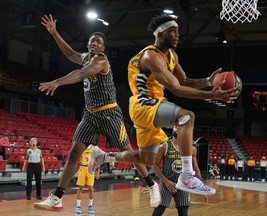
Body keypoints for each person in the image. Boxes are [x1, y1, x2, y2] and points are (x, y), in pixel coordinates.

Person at [89, 14, 238, 195]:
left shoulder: (171, 55)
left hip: (151, 105)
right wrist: (211, 95)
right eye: (172, 32)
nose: (177, 35)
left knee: (146, 159)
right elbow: (175, 89)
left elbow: (183, 81)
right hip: (144, 103)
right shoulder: (150, 56)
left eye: (178, 32)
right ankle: (186, 176)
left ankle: (102, 156)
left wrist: (208, 80)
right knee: (186, 116)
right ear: (160, 34)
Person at [34, 14, 160, 211]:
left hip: (109, 113)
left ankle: (152, 185)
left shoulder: (100, 61)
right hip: (90, 114)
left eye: (98, 42)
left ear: (102, 48)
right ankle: (57, 197)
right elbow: (70, 54)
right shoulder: (85, 57)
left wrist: (57, 82)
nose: (94, 43)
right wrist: (54, 33)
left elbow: (82, 73)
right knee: (75, 152)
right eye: (92, 40)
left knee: (126, 151)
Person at [151, 126, 203, 216]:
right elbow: (154, 165)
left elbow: (196, 168)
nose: (177, 129)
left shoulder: (191, 148)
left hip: (183, 184)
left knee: (183, 213)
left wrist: (201, 186)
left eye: (181, 127)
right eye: (176, 127)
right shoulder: (164, 146)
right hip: (167, 183)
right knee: (158, 210)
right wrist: (166, 181)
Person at [75, 144, 100, 214]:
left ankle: (90, 205)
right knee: (80, 188)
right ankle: (78, 206)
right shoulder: (82, 147)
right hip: (82, 168)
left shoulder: (94, 148)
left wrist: (98, 171)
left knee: (91, 188)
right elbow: (78, 158)